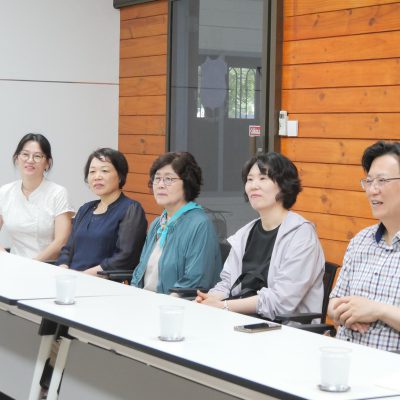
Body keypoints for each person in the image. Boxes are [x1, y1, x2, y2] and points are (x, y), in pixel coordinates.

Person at [196, 152, 325, 320]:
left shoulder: (301, 234)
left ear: (284, 185)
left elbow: (281, 301)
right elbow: (227, 283)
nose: (253, 186)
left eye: (263, 178)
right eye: (249, 179)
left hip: (285, 328)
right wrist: (210, 299)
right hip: (241, 321)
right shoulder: (245, 234)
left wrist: (224, 306)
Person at [328, 141, 400, 352]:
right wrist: (344, 312)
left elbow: (372, 309)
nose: (372, 190)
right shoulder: (360, 241)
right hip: (345, 359)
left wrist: (378, 311)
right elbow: (334, 301)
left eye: (382, 180)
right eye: (368, 181)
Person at [131, 151, 222, 294]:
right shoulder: (158, 223)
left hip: (175, 304)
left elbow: (195, 281)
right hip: (145, 299)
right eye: (157, 178)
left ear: (187, 182)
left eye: (168, 179)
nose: (160, 185)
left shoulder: (200, 225)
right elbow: (140, 270)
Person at [57, 148, 147, 275]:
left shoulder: (131, 209)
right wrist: (63, 267)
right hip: (73, 278)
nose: (97, 177)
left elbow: (125, 256)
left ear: (120, 176)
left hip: (103, 281)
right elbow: (68, 249)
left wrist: (85, 275)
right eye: (92, 171)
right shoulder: (85, 209)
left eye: (104, 171)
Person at [0, 133, 73, 260]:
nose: (30, 160)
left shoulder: (58, 193)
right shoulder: (5, 192)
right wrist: (7, 258)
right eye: (25, 154)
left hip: (47, 265)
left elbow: (61, 241)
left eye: (37, 156)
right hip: (14, 263)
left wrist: (32, 265)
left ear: (47, 163)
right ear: (17, 158)